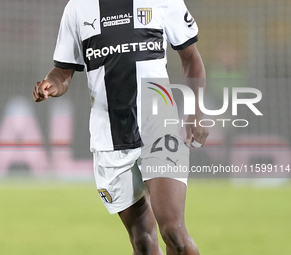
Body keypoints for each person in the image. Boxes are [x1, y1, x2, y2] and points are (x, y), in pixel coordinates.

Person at [32, 0, 208, 254]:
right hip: (110, 139)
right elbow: (63, 71)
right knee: (143, 242)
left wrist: (196, 112)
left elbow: (191, 57)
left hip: (159, 129)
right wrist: (51, 84)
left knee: (173, 231)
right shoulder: (78, 8)